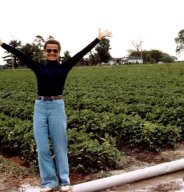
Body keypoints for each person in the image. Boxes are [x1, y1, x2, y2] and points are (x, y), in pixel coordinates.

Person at [0, 29, 112, 192]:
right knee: (43, 147)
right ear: (44, 52)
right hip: (40, 107)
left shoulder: (64, 67)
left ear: (59, 53)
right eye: (49, 50)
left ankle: (64, 181)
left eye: (55, 51)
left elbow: (82, 53)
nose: (52, 53)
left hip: (56, 107)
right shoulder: (37, 67)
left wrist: (98, 39)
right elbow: (21, 55)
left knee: (60, 146)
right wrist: (3, 44)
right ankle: (49, 183)